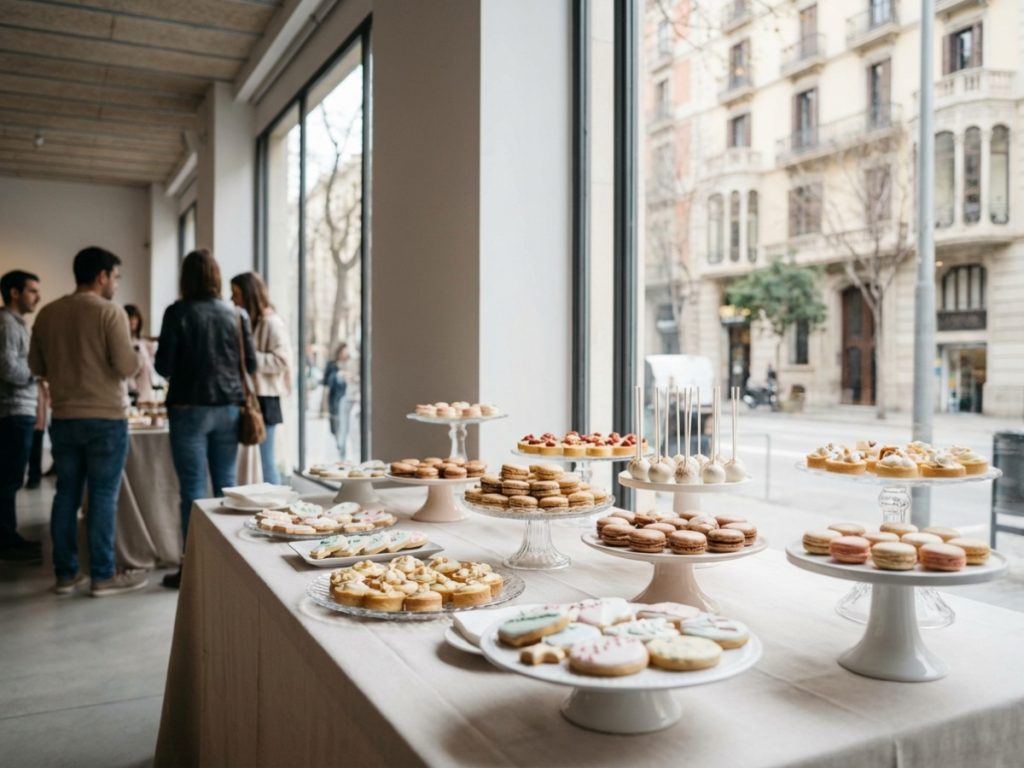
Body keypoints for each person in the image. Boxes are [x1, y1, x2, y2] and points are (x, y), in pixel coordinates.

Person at [28, 248, 144, 596]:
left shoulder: (47, 313)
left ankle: (66, 574)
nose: (116, 284)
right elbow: (126, 366)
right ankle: (103, 575)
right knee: (104, 496)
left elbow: (36, 366)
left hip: (64, 416)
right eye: (116, 277)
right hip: (106, 417)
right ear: (102, 276)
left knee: (66, 493)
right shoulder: (110, 313)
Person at [156, 249, 256, 589]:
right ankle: (229, 565)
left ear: (186, 277)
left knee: (193, 491)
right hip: (229, 407)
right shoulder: (237, 314)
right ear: (216, 276)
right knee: (227, 487)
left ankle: (193, 567)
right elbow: (251, 366)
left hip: (187, 408)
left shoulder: (177, 312)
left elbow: (163, 367)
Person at [230, 272, 291, 485]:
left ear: (249, 294)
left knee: (266, 461)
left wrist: (250, 358)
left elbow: (283, 360)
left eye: (236, 294)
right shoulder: (250, 321)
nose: (233, 299)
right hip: (253, 398)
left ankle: (276, 508)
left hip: (266, 399)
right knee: (257, 461)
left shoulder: (271, 322)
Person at [0, 270, 43, 562]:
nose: (37, 296)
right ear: (14, 293)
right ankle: (5, 542)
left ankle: (8, 536)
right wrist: (37, 372)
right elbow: (6, 367)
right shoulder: (6, 323)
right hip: (13, 409)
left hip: (20, 408)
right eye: (31, 290)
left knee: (11, 478)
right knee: (8, 479)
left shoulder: (15, 323)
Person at [321, 343, 350, 459]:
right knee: (335, 427)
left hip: (346, 400)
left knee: (343, 428)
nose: (345, 353)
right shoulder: (332, 365)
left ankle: (342, 452)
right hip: (334, 400)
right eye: (344, 350)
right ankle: (339, 450)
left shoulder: (349, 365)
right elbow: (326, 385)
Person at [124, 304, 157, 403]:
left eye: (135, 318)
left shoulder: (142, 343)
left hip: (146, 389)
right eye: (130, 318)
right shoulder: (124, 343)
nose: (133, 321)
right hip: (132, 391)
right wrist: (133, 388)